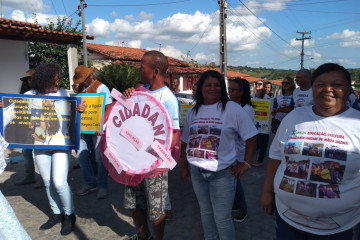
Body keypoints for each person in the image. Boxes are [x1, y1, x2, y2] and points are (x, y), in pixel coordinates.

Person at [261, 63, 360, 239]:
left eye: (336, 84)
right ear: (313, 88)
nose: (327, 89)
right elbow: (276, 156)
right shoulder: (295, 117)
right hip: (287, 219)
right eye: (320, 84)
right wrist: (267, 192)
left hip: (338, 228)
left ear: (348, 89)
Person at [181, 70, 257, 240]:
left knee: (222, 219)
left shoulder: (233, 109)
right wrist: (184, 167)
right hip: (196, 172)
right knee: (206, 213)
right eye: (208, 85)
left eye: (216, 85)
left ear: (222, 88)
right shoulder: (194, 111)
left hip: (222, 174)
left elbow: (251, 136)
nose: (212, 88)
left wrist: (246, 163)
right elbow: (186, 140)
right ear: (201, 88)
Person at [122, 50, 180, 240]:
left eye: (142, 67)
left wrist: (153, 157)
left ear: (155, 71)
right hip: (133, 162)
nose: (139, 70)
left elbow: (174, 136)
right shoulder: (140, 92)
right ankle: (143, 235)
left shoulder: (168, 99)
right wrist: (127, 96)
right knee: (133, 205)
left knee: (156, 210)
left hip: (155, 166)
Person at [24, 63, 84, 235]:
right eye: (54, 80)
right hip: (40, 142)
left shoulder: (64, 93)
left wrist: (81, 109)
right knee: (48, 182)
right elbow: (18, 117)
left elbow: (75, 109)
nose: (58, 84)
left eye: (58, 80)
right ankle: (56, 213)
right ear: (44, 80)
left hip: (61, 143)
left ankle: (69, 215)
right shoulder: (28, 96)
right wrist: (4, 108)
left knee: (59, 182)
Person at [72, 65, 113, 199]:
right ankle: (90, 183)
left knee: (99, 158)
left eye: (84, 80)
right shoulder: (80, 90)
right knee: (82, 157)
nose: (83, 83)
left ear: (90, 76)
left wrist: (100, 124)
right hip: (83, 128)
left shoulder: (102, 88)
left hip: (97, 129)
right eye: (81, 81)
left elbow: (109, 109)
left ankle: (102, 186)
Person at [228, 77, 255, 223]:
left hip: (239, 150)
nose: (229, 92)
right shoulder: (231, 106)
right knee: (232, 178)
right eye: (229, 89)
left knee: (235, 179)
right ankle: (235, 204)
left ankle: (243, 208)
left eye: (233, 90)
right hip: (232, 149)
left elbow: (245, 133)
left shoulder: (247, 109)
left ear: (242, 92)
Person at [13, 69, 43, 188]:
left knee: (40, 152)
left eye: (33, 79)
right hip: (27, 126)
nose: (31, 81)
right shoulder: (25, 95)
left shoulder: (45, 93)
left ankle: (43, 178)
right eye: (29, 79)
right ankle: (30, 176)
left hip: (40, 126)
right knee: (26, 151)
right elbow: (21, 110)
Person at [251, 80, 271, 167]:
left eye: (259, 84)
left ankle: (260, 160)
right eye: (256, 83)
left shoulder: (267, 98)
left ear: (263, 86)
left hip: (264, 123)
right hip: (254, 122)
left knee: (263, 143)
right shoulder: (252, 96)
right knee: (254, 142)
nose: (257, 85)